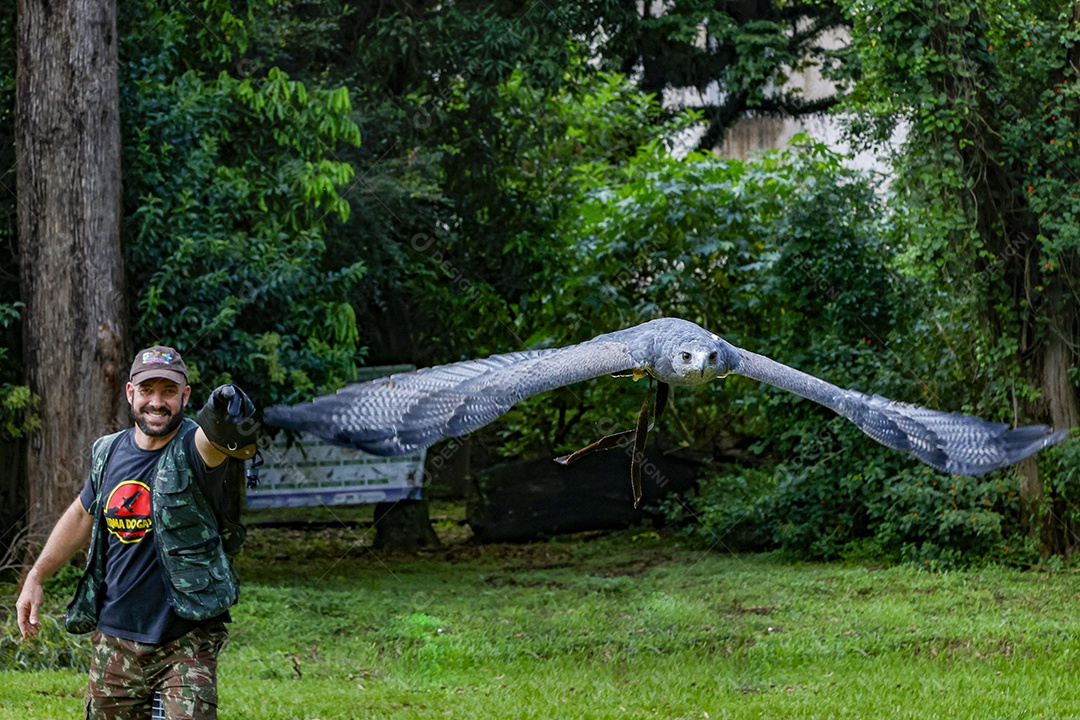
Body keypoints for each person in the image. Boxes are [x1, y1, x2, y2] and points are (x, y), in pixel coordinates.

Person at [15, 345, 257, 720]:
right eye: (147, 391)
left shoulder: (196, 447)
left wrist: (225, 410)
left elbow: (217, 436)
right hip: (115, 641)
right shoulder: (107, 452)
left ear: (185, 395)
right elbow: (82, 514)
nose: (157, 402)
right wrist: (36, 575)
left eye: (168, 392)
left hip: (184, 639)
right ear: (130, 393)